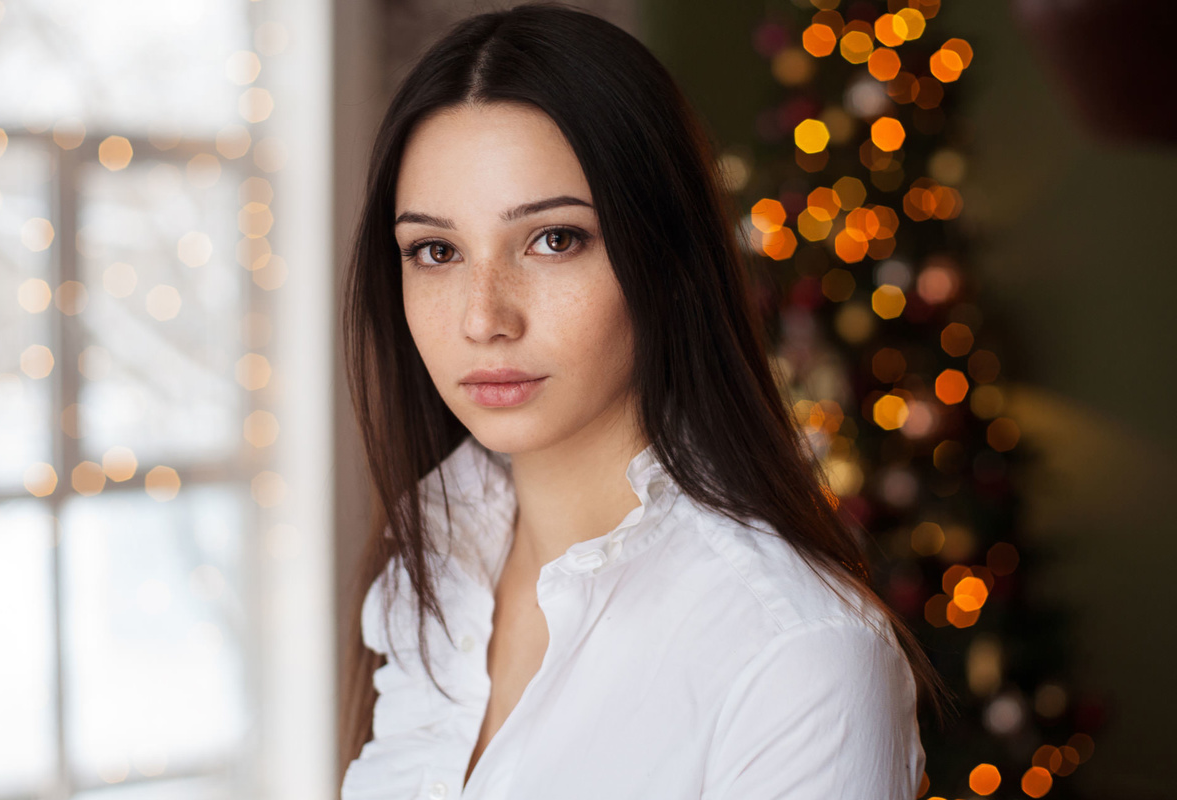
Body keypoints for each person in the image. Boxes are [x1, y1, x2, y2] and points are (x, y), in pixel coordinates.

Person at [339, 3, 943, 798]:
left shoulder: (797, 655)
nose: (483, 318)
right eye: (435, 250)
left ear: (668, 257)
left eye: (554, 239)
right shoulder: (432, 564)